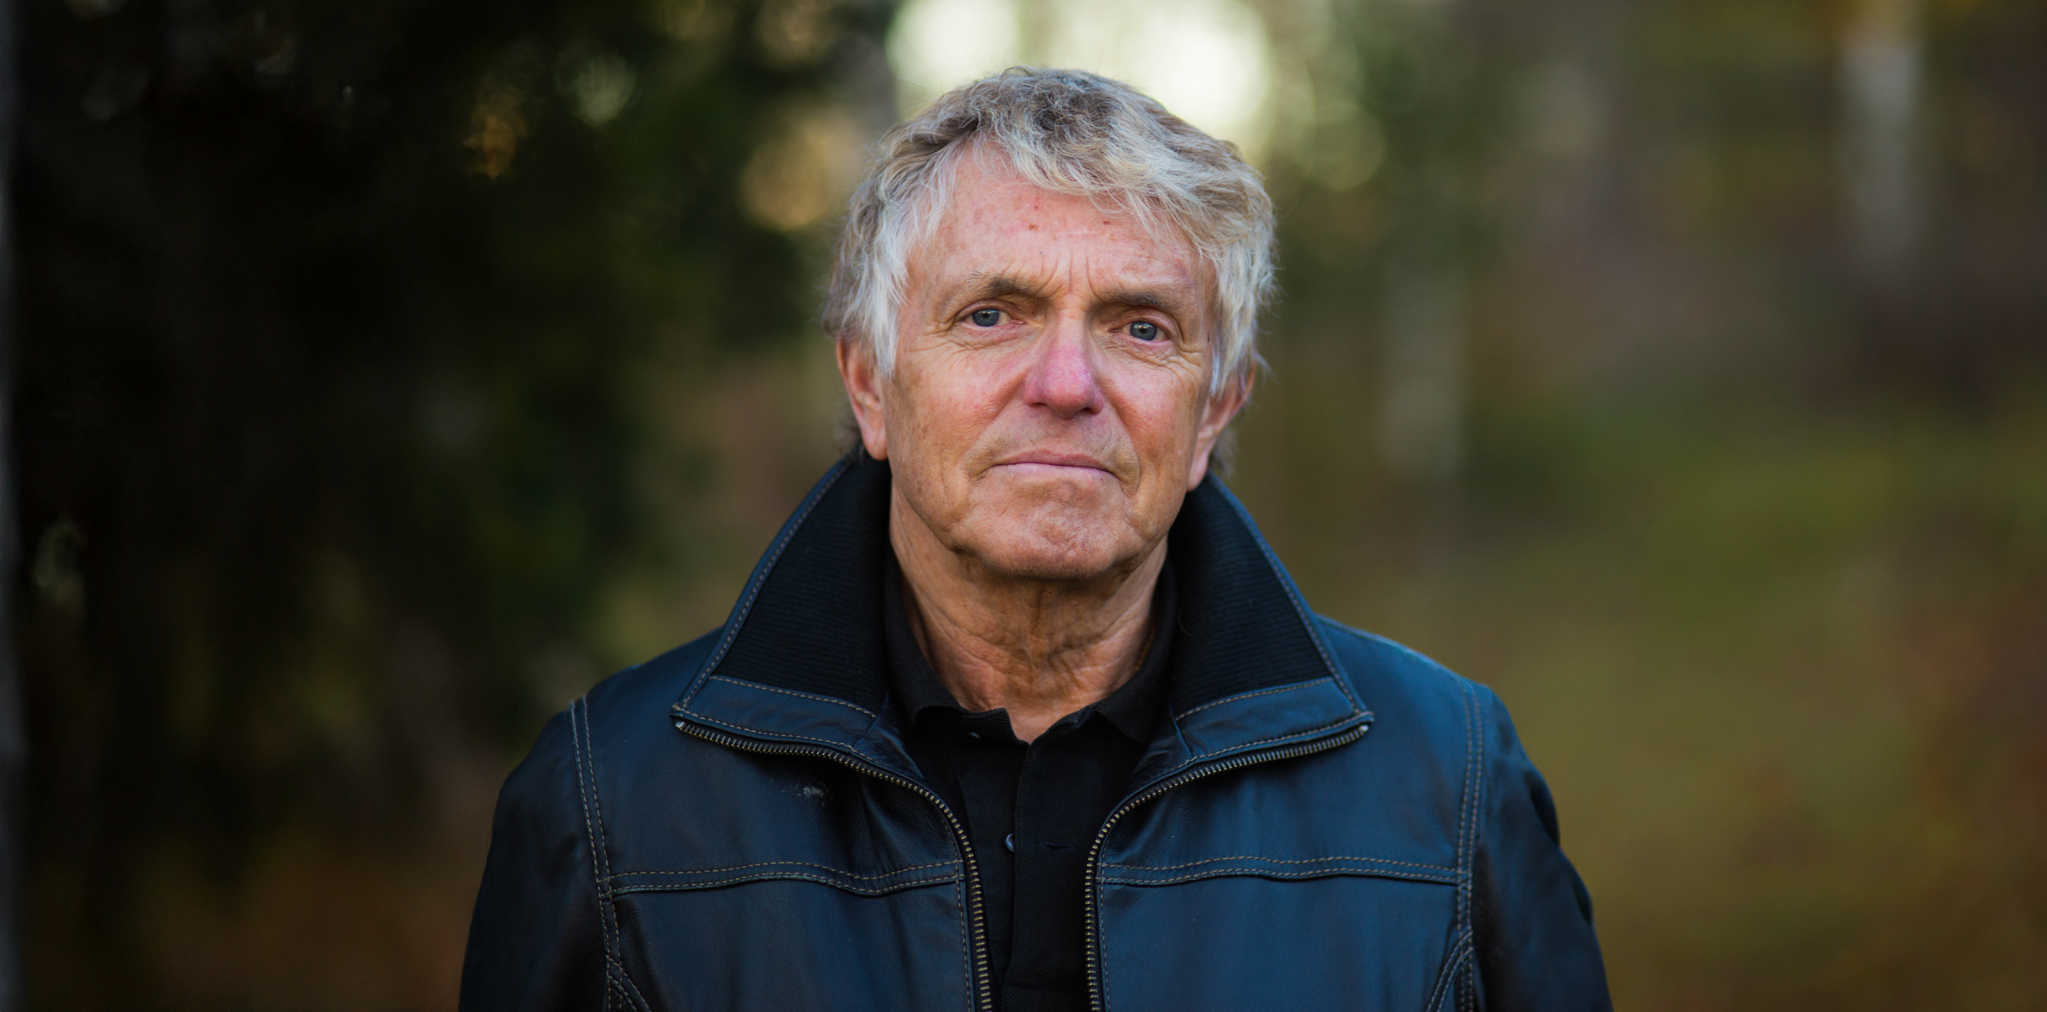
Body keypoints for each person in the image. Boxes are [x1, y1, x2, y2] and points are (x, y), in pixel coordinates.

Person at [460, 67, 1611, 1012]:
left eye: (1140, 325)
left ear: (1214, 411)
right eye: (991, 314)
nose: (1066, 384)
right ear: (869, 384)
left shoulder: (1447, 787)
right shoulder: (611, 803)